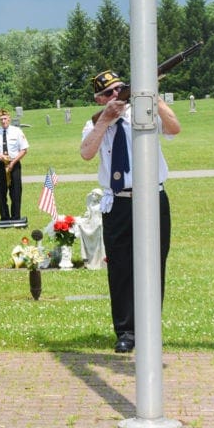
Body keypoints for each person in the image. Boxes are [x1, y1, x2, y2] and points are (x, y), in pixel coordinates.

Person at [79, 69, 180, 353]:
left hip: (152, 196)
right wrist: (107, 119)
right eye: (108, 93)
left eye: (119, 90)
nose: (115, 96)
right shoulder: (97, 123)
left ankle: (149, 329)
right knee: (121, 269)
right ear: (100, 99)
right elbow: (86, 152)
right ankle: (125, 331)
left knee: (155, 264)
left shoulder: (144, 109)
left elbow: (174, 128)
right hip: (118, 201)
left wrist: (153, 97)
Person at [0, 108, 29, 221]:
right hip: (0, 164)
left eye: (5, 118)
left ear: (9, 118)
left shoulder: (17, 131)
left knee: (16, 191)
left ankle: (16, 217)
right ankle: (4, 217)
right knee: (1, 191)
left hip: (14, 163)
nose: (3, 121)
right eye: (1, 119)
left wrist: (13, 162)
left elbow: (24, 149)